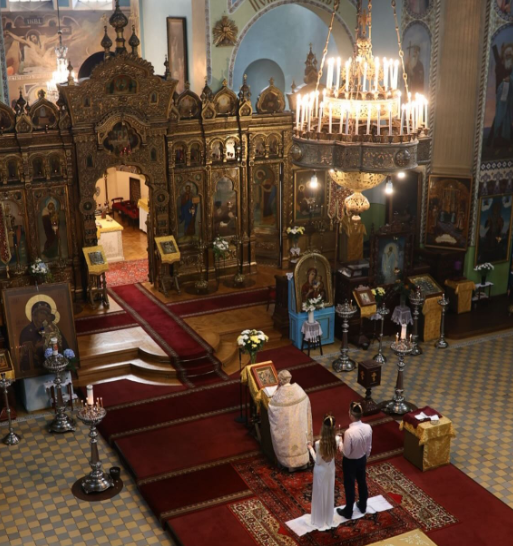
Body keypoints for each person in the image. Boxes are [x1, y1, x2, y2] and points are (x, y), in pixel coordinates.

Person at [268, 370, 313, 472]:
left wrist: (276, 391)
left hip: (288, 430)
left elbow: (272, 407)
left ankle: (290, 464)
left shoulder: (279, 395)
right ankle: (303, 461)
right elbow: (306, 404)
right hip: (299, 427)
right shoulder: (299, 390)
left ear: (280, 380)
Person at [336, 402, 372, 520]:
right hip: (362, 459)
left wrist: (340, 443)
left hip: (350, 462)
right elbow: (368, 447)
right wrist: (365, 457)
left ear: (351, 415)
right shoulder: (368, 427)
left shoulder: (349, 432)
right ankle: (363, 505)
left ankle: (348, 511)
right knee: (362, 482)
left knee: (349, 485)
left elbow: (346, 452)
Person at [307, 415, 343, 530]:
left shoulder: (319, 444)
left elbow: (317, 461)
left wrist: (310, 448)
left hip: (320, 471)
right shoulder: (336, 440)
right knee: (329, 492)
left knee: (319, 494)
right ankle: (328, 518)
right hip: (330, 469)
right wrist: (341, 441)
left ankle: (319, 519)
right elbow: (339, 447)